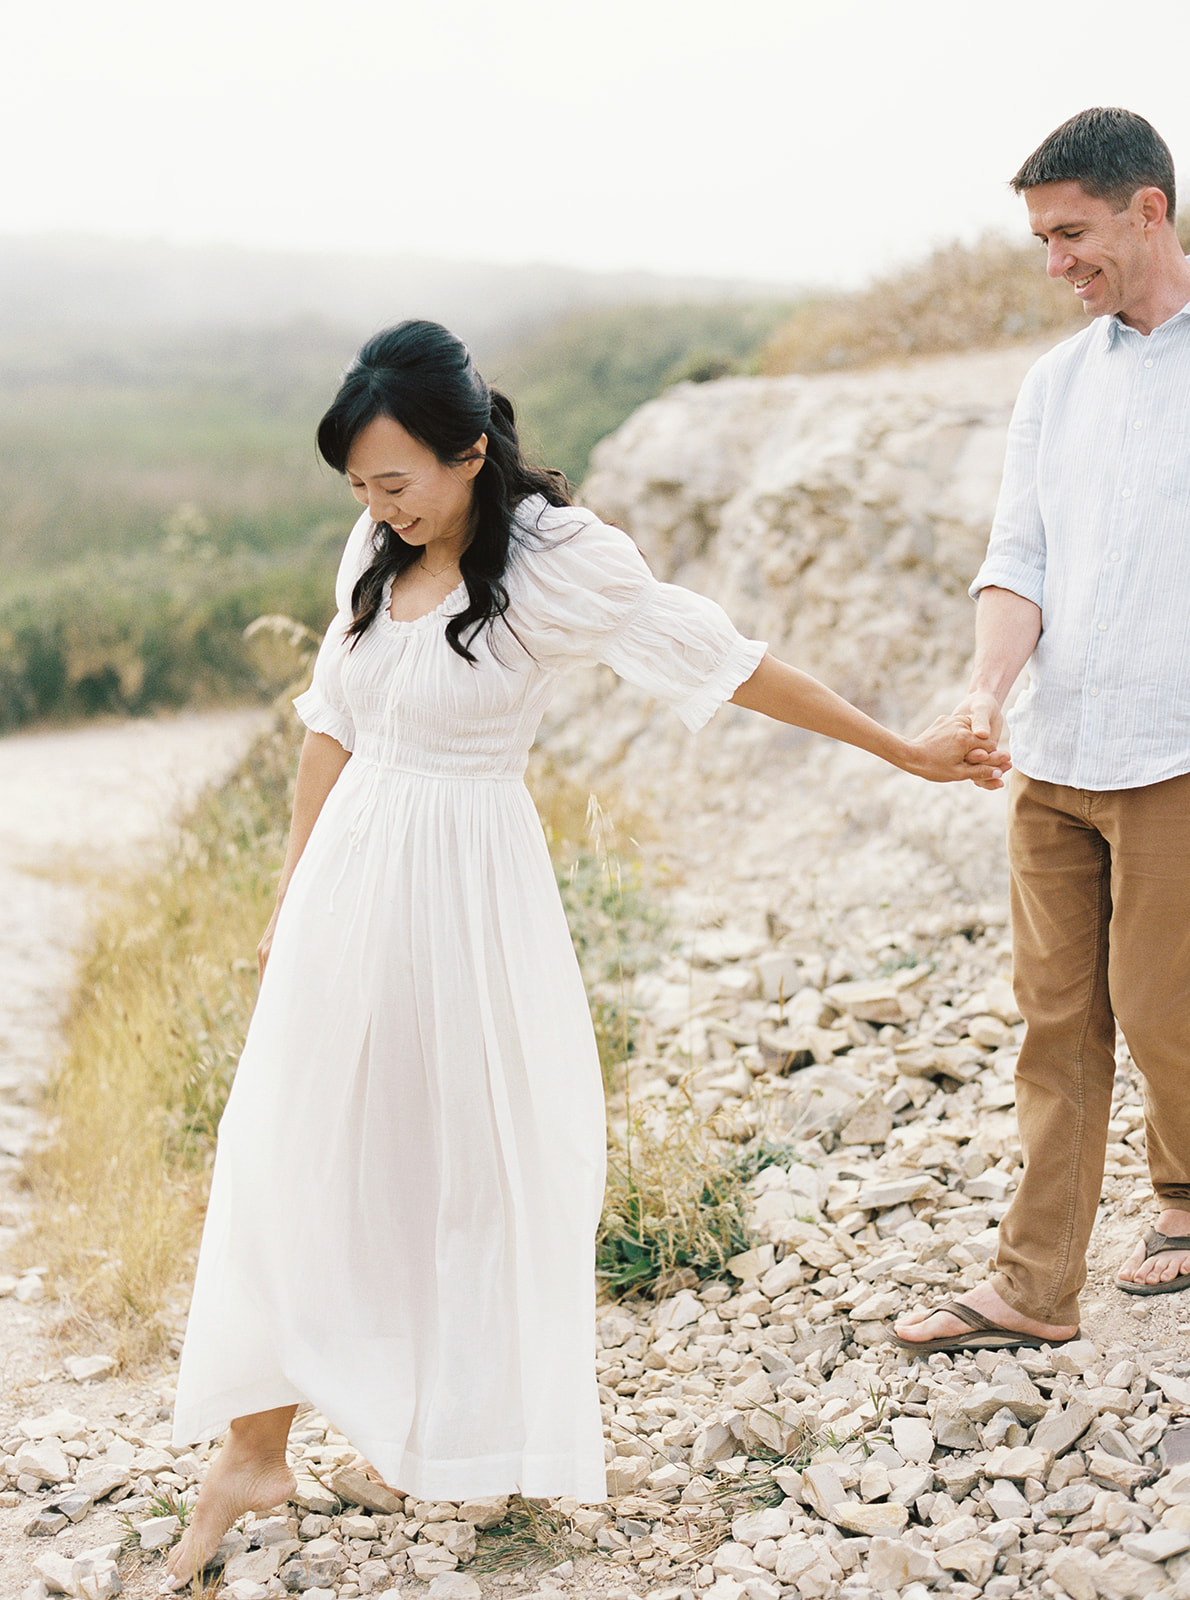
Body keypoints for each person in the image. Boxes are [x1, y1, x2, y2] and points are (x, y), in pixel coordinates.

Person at [163, 319, 1002, 1589]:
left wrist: (900, 748)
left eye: (395, 482)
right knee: (291, 1143)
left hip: (466, 883)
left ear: (467, 453)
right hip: (350, 881)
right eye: (357, 488)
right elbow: (329, 724)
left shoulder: (559, 560)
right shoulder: (377, 545)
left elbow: (725, 663)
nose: (377, 509)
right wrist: (289, 894)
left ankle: (451, 1434)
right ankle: (253, 1444)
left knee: (472, 1163)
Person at [895, 107, 1190, 1358]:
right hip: (1054, 756)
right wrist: (985, 690)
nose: (1052, 261)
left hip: (1174, 751)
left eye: (1070, 232)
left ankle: (1180, 1197)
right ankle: (1032, 1287)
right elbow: (1017, 557)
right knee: (1052, 1023)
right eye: (1036, 238)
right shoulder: (1051, 382)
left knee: (1162, 1005)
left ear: (1147, 210)